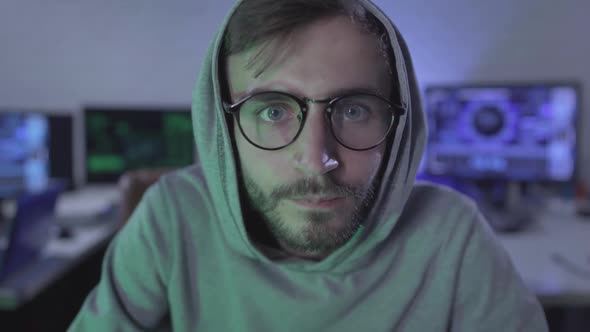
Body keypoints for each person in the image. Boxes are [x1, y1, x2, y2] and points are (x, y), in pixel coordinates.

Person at [69, 0, 549, 331]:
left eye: (355, 109)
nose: (318, 158)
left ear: (398, 123)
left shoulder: (452, 236)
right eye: (274, 110)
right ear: (223, 124)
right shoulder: (171, 218)